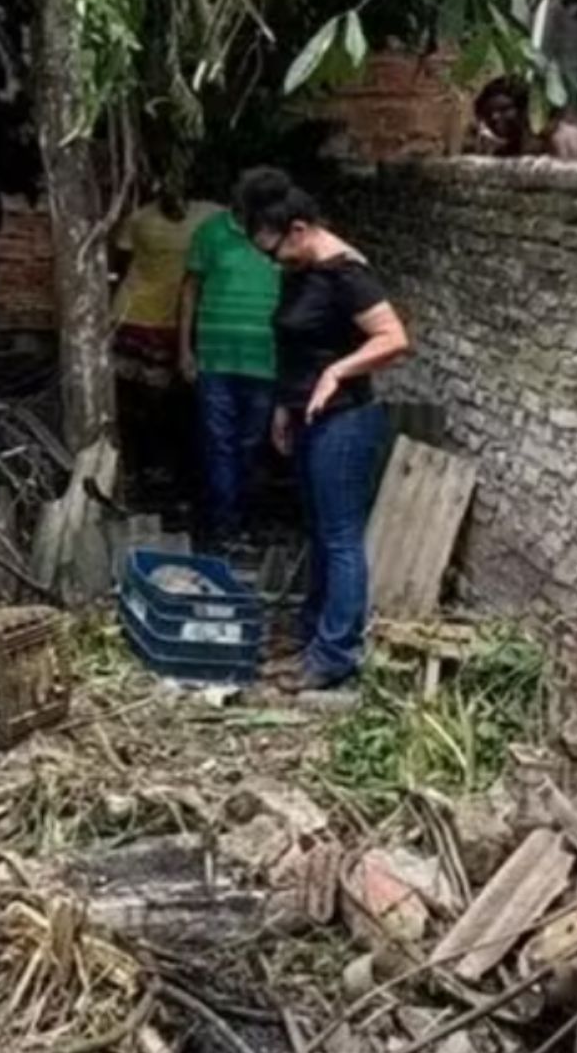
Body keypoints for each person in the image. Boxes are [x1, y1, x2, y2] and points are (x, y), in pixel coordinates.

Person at [232, 169, 409, 690]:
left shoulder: (345, 273)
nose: (273, 262)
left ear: (300, 228)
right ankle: (314, 639)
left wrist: (338, 372)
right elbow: (298, 348)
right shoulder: (302, 271)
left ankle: (337, 654)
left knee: (340, 538)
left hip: (346, 420)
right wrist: (285, 407)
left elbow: (393, 338)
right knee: (318, 532)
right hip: (308, 416)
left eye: (275, 251)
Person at [179, 193, 282, 553]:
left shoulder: (280, 238)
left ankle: (245, 521)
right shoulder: (210, 233)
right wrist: (185, 348)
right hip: (216, 359)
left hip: (266, 361)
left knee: (252, 445)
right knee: (218, 444)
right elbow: (189, 290)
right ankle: (223, 526)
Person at [109, 184, 219, 508]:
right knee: (138, 400)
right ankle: (142, 467)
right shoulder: (139, 219)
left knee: (174, 400)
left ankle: (168, 470)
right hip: (138, 316)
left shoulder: (212, 216)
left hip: (182, 319)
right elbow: (121, 261)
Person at [473, 76, 577, 161]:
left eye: (504, 109)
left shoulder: (559, 135)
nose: (495, 117)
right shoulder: (506, 151)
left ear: (524, 109)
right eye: (488, 113)